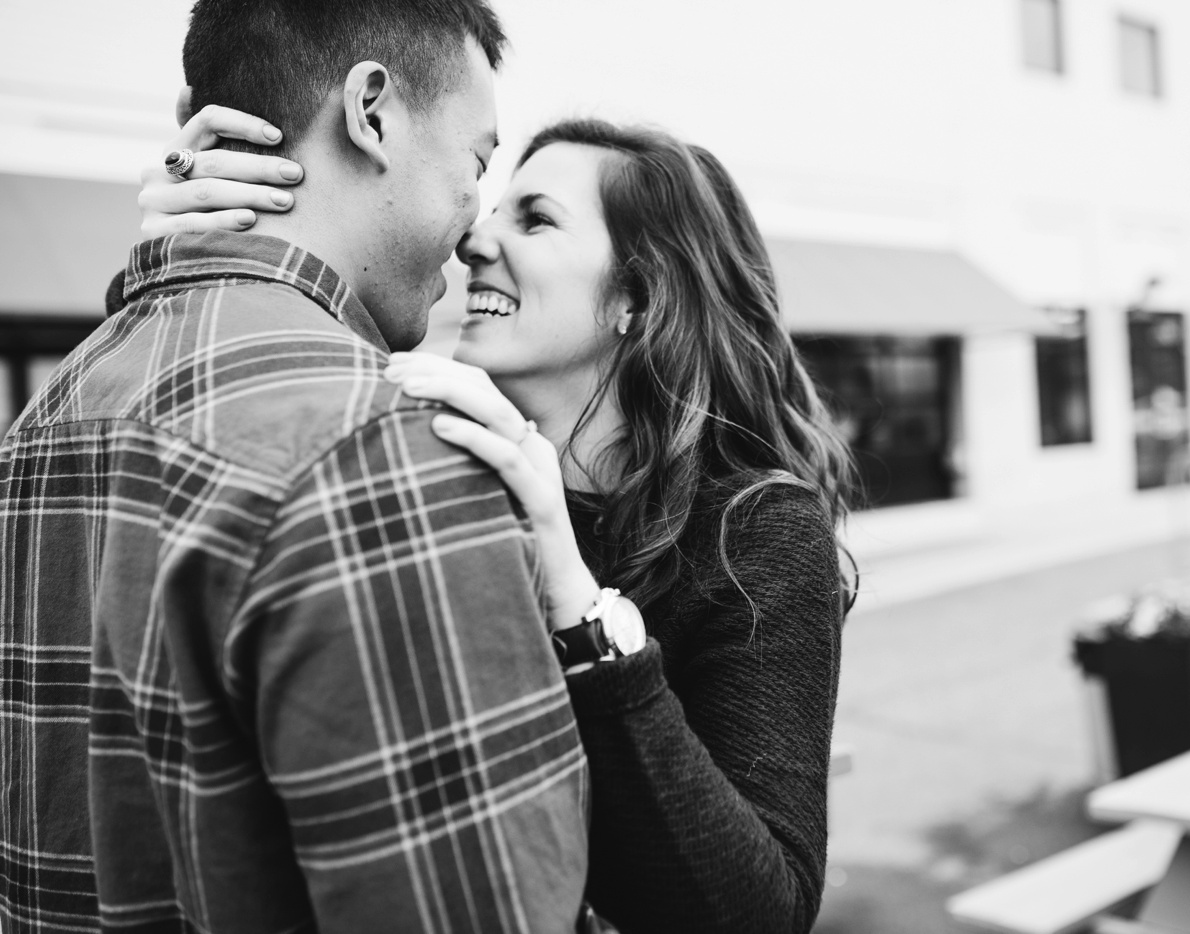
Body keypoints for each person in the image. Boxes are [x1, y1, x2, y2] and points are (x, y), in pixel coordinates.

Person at [144, 110, 858, 933]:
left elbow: (763, 912)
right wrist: (202, 250)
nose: (475, 240)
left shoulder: (757, 532)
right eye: (491, 205)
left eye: (536, 218)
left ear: (639, 294)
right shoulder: (436, 466)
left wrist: (579, 607)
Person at [0, 2, 591, 933]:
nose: (474, 225)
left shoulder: (48, 415)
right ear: (372, 112)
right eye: (476, 164)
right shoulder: (382, 447)